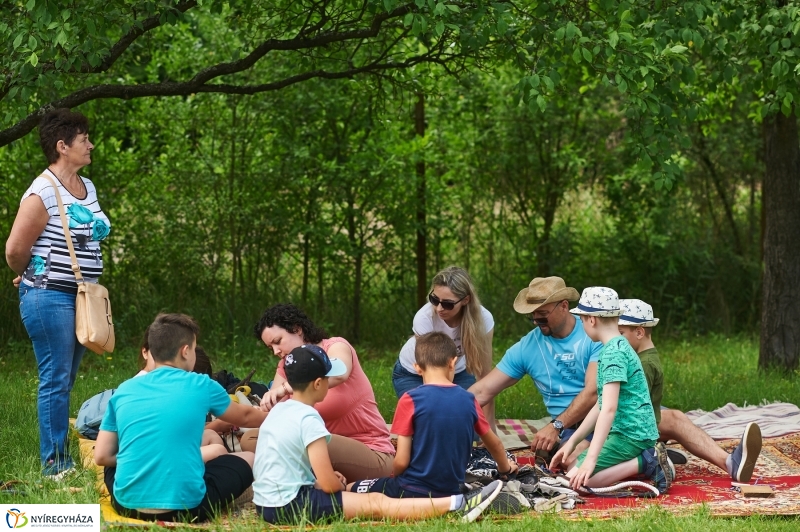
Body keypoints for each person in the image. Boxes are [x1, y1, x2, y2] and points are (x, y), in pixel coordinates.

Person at [251, 344, 503, 524]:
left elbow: (289, 466)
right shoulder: (309, 417)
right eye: (328, 379)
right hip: (289, 505)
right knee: (376, 503)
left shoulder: (279, 412)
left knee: (359, 492)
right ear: (318, 384)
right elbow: (329, 485)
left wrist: (325, 481)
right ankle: (458, 504)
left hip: (266, 503)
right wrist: (332, 484)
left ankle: (453, 503)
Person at [5, 109, 111, 479]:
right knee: (55, 376)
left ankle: (59, 456)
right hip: (48, 296)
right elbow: (15, 250)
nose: (91, 144)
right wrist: (29, 275)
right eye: (84, 139)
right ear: (62, 146)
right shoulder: (41, 192)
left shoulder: (88, 186)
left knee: (65, 378)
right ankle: (54, 464)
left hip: (83, 297)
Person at [94, 313, 267, 522]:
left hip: (127, 506)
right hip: (188, 508)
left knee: (116, 460)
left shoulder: (124, 390)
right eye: (194, 348)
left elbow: (102, 456)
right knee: (249, 458)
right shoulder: (201, 385)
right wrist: (284, 414)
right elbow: (247, 416)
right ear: (185, 351)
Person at [351, 332, 518, 499]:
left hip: (411, 488)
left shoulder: (409, 400)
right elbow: (494, 444)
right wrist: (505, 469)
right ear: (453, 362)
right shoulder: (469, 400)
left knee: (352, 487)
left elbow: (401, 460)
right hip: (452, 490)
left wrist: (394, 476)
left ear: (417, 367)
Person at [242, 303, 395, 482]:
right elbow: (274, 416)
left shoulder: (335, 346)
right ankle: (321, 478)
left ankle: (312, 480)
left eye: (277, 342)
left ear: (297, 329)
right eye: (270, 348)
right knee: (251, 438)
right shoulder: (286, 365)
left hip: (370, 452)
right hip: (322, 448)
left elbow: (339, 372)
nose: (276, 351)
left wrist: (286, 388)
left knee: (301, 440)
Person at [617, 299, 763, 483]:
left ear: (639, 332)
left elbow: (630, 405)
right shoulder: (641, 356)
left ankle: (653, 453)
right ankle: (653, 455)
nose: (617, 339)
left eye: (620, 333)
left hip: (630, 424)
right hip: (626, 425)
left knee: (673, 416)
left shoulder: (641, 362)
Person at [549, 287, 673, 494]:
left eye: (581, 320)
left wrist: (590, 458)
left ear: (592, 320)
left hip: (631, 435)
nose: (582, 325)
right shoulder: (619, 346)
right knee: (575, 473)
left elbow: (608, 409)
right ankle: (648, 460)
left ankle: (647, 461)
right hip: (633, 432)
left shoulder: (612, 354)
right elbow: (600, 404)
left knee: (573, 483)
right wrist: (572, 443)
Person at [468, 276, 602, 452]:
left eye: (543, 315)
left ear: (564, 306)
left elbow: (593, 392)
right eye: (533, 315)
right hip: (567, 429)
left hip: (602, 422)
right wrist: (442, 407)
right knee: (566, 459)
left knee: (574, 462)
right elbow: (483, 390)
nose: (536, 321)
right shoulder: (527, 346)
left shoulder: (593, 335)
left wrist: (555, 426)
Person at [392, 267, 495, 422]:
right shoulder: (424, 318)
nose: (439, 308)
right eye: (434, 300)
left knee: (470, 427)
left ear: (465, 300)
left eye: (447, 304)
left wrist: (489, 426)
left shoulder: (483, 319)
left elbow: (485, 376)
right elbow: (430, 374)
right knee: (432, 421)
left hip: (458, 372)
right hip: (415, 374)